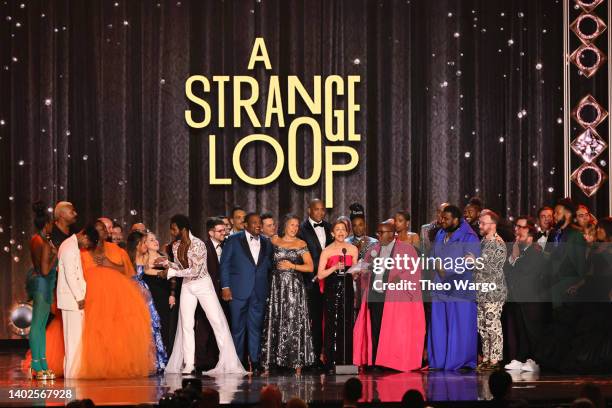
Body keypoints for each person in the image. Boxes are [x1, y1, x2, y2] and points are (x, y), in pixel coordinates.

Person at [160, 214, 246, 375]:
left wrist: (170, 272)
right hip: (187, 285)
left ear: (183, 229)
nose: (172, 232)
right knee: (186, 324)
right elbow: (181, 267)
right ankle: (189, 363)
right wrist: (167, 264)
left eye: (174, 229)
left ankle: (228, 362)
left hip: (203, 285)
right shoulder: (175, 245)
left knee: (216, 322)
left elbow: (195, 270)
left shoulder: (198, 244)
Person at [77, 222, 155, 378]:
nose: (103, 232)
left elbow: (127, 271)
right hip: (91, 297)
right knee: (94, 332)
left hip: (116, 297)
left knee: (115, 333)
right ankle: (95, 365)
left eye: (104, 229)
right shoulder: (82, 251)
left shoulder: (116, 250)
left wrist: (108, 264)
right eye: (98, 229)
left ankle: (115, 365)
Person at [353, 221, 425, 372]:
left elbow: (414, 272)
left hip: (395, 297)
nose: (378, 235)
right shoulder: (374, 249)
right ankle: (376, 362)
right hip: (376, 294)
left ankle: (391, 362)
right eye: (378, 232)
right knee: (375, 328)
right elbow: (366, 269)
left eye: (382, 232)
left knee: (394, 331)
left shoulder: (407, 250)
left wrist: (398, 278)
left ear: (392, 234)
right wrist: (362, 272)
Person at [260, 214, 315, 375]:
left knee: (294, 321)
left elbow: (310, 267)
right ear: (285, 226)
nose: (295, 228)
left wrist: (293, 266)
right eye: (292, 225)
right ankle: (269, 364)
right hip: (276, 288)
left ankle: (296, 363)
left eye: (297, 226)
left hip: (294, 288)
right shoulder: (274, 241)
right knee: (275, 321)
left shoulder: (300, 243)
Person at [427, 205, 480, 370]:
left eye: (446, 219)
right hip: (440, 287)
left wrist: (447, 271)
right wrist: (436, 265)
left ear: (457, 220)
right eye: (442, 218)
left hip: (460, 288)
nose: (442, 221)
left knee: (460, 326)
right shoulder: (440, 234)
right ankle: (439, 361)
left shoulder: (469, 237)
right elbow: (432, 255)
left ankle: (460, 361)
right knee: (439, 325)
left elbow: (470, 262)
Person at [220, 213, 273, 375]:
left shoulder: (267, 242)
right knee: (237, 328)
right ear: (246, 225)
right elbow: (225, 264)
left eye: (259, 223)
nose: (258, 225)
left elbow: (269, 267)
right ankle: (238, 360)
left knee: (255, 328)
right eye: (254, 223)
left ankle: (255, 361)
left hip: (259, 291)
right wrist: (225, 287)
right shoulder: (234, 240)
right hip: (237, 291)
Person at [504, 216, 549, 372]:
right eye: (516, 227)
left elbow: (526, 272)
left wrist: (515, 258)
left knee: (533, 331)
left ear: (530, 233)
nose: (518, 230)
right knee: (522, 331)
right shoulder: (520, 251)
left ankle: (535, 360)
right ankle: (522, 358)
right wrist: (513, 257)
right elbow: (508, 271)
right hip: (519, 298)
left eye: (521, 227)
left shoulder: (535, 251)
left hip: (532, 299)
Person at [317, 220, 359, 372]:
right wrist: (334, 267)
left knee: (346, 324)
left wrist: (358, 271)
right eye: (337, 229)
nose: (341, 232)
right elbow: (320, 274)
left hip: (347, 290)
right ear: (332, 233)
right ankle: (330, 363)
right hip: (331, 290)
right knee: (331, 324)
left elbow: (354, 273)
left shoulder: (353, 249)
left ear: (347, 232)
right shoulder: (327, 251)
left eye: (343, 229)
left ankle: (345, 361)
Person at [297, 198, 333, 369]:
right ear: (309, 210)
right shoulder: (301, 230)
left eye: (322, 209)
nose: (320, 212)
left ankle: (329, 356)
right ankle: (312, 357)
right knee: (314, 321)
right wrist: (313, 276)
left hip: (330, 281)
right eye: (317, 209)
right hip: (311, 283)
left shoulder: (328, 227)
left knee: (330, 320)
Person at [56, 225, 95, 378]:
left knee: (74, 341)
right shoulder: (69, 247)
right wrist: (79, 297)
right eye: (87, 244)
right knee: (74, 342)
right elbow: (71, 275)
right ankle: (72, 377)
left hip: (71, 299)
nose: (86, 247)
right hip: (72, 300)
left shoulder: (70, 245)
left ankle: (72, 375)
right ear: (84, 235)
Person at [128, 230, 169, 372]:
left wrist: (168, 268)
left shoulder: (147, 258)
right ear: (138, 244)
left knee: (152, 326)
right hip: (132, 294)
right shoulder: (131, 258)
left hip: (145, 294)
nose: (146, 244)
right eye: (144, 242)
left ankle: (156, 362)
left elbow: (153, 270)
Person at [26, 202, 58, 380]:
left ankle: (43, 364)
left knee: (40, 325)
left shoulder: (36, 239)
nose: (52, 226)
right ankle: (36, 365)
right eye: (51, 223)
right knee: (38, 325)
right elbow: (45, 270)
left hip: (41, 283)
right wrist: (56, 256)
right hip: (42, 283)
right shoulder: (43, 242)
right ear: (47, 224)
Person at [194, 217, 228, 371]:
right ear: (210, 233)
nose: (224, 233)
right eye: (220, 231)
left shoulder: (227, 246)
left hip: (223, 294)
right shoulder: (203, 248)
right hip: (206, 293)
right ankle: (201, 362)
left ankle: (215, 360)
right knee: (204, 328)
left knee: (219, 327)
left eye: (225, 230)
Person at [476, 210, 507, 371]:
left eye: (483, 222)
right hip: (481, 292)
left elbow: (492, 268)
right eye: (479, 222)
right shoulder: (483, 242)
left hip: (493, 292)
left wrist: (473, 261)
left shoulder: (498, 243)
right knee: (482, 327)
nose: (480, 225)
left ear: (492, 224)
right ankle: (487, 358)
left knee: (492, 325)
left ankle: (494, 360)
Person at [140, 231, 178, 353]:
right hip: (147, 297)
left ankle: (165, 354)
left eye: (155, 239)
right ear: (144, 243)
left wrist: (172, 294)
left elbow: (173, 277)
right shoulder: (142, 258)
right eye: (151, 240)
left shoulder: (163, 258)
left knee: (163, 325)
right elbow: (142, 273)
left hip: (163, 295)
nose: (156, 241)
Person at [548, 198, 586, 308]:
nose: (554, 216)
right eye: (554, 213)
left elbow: (581, 263)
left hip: (568, 285)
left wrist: (578, 284)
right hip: (553, 282)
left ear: (568, 214)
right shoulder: (554, 233)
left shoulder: (576, 235)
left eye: (557, 213)